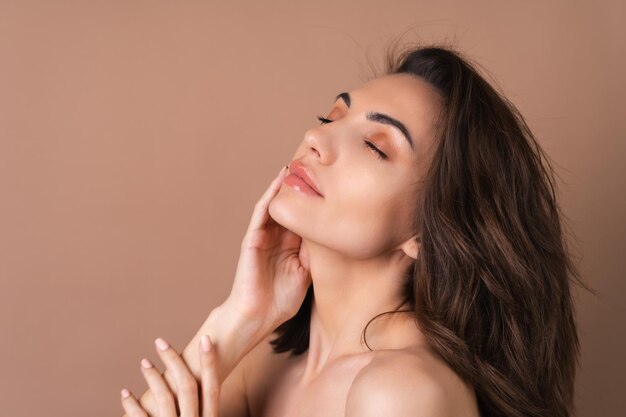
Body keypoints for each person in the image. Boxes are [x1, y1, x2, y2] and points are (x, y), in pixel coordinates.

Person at [119, 43, 584, 417]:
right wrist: (239, 317)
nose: (315, 139)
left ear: (426, 231)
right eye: (330, 117)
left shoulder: (403, 394)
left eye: (375, 146)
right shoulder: (262, 365)